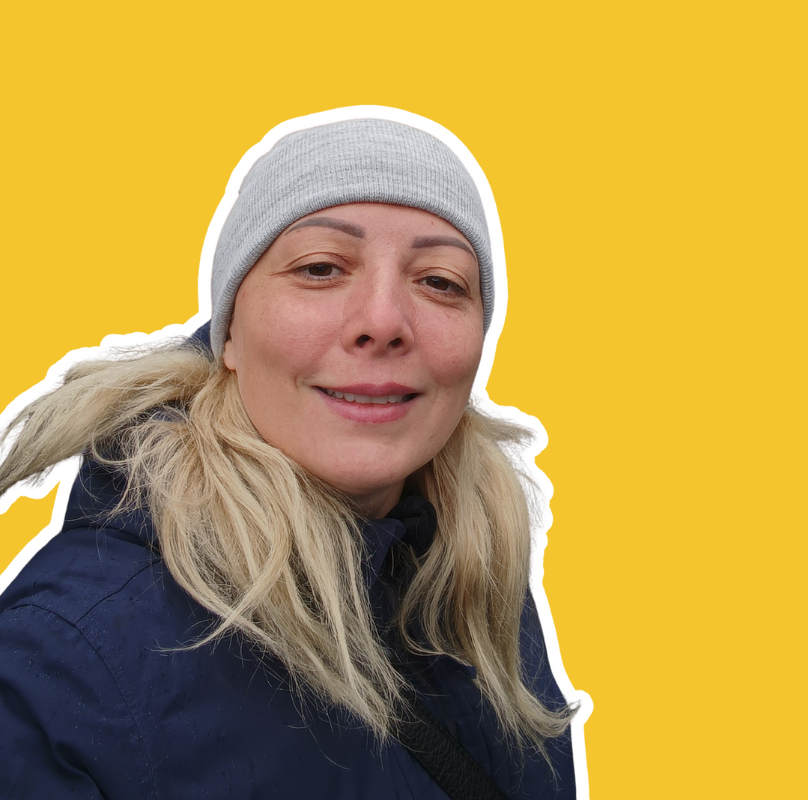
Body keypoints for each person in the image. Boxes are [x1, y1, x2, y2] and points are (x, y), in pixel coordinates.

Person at [0, 111, 578, 798]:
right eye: (321, 268)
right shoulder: (65, 660)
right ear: (229, 333)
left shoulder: (475, 591)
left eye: (440, 282)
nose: (383, 322)